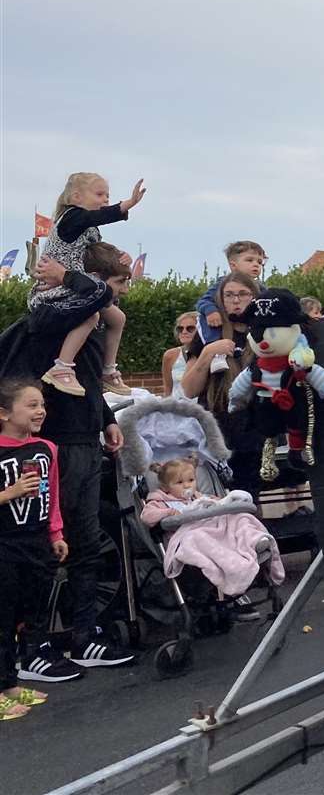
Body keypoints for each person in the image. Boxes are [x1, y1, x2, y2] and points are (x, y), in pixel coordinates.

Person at [10, 244, 135, 673]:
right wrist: (69, 277)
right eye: (115, 286)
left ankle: (84, 636)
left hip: (83, 439)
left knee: (84, 545)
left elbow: (86, 379)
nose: (115, 298)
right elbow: (95, 297)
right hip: (52, 444)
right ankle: (33, 647)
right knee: (45, 549)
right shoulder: (51, 317)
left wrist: (104, 420)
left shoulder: (90, 326)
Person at [29, 172, 146, 397]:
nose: (105, 200)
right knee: (90, 316)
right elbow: (97, 217)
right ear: (76, 197)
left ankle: (108, 370)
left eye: (108, 195)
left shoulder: (90, 229)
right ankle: (62, 367)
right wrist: (127, 205)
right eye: (99, 194)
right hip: (53, 293)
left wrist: (122, 256)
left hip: (77, 289)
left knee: (118, 317)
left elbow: (99, 254)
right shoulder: (72, 217)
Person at [1, 379, 72, 711]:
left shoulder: (46, 448)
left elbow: (52, 495)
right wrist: (10, 493)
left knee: (25, 614)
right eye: (31, 405)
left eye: (41, 404)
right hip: (5, 544)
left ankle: (11, 683)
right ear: (3, 413)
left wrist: (56, 533)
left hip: (36, 541)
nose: (40, 410)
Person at [139, 458, 282, 601]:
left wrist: (220, 502)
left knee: (239, 519)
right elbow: (147, 516)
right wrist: (168, 513)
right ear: (165, 487)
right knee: (197, 537)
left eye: (191, 480)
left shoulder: (199, 497)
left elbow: (219, 503)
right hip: (187, 535)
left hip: (215, 531)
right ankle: (228, 560)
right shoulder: (161, 502)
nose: (187, 486)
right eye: (179, 483)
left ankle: (253, 540)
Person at [180, 272, 263, 495]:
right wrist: (207, 354)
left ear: (254, 296)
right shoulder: (208, 334)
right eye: (229, 295)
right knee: (217, 497)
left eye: (243, 294)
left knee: (248, 497)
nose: (236, 300)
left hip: (255, 427)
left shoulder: (264, 332)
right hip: (216, 428)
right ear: (220, 299)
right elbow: (189, 389)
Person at [196, 242, 267, 344]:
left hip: (248, 329)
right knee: (204, 317)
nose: (256, 264)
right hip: (223, 327)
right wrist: (211, 311)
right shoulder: (222, 284)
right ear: (233, 265)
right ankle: (213, 343)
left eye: (260, 262)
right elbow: (204, 301)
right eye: (249, 260)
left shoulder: (260, 287)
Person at [161, 312, 199, 399]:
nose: (184, 332)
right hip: (177, 407)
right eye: (180, 329)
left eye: (190, 328)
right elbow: (168, 390)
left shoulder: (209, 353)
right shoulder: (170, 355)